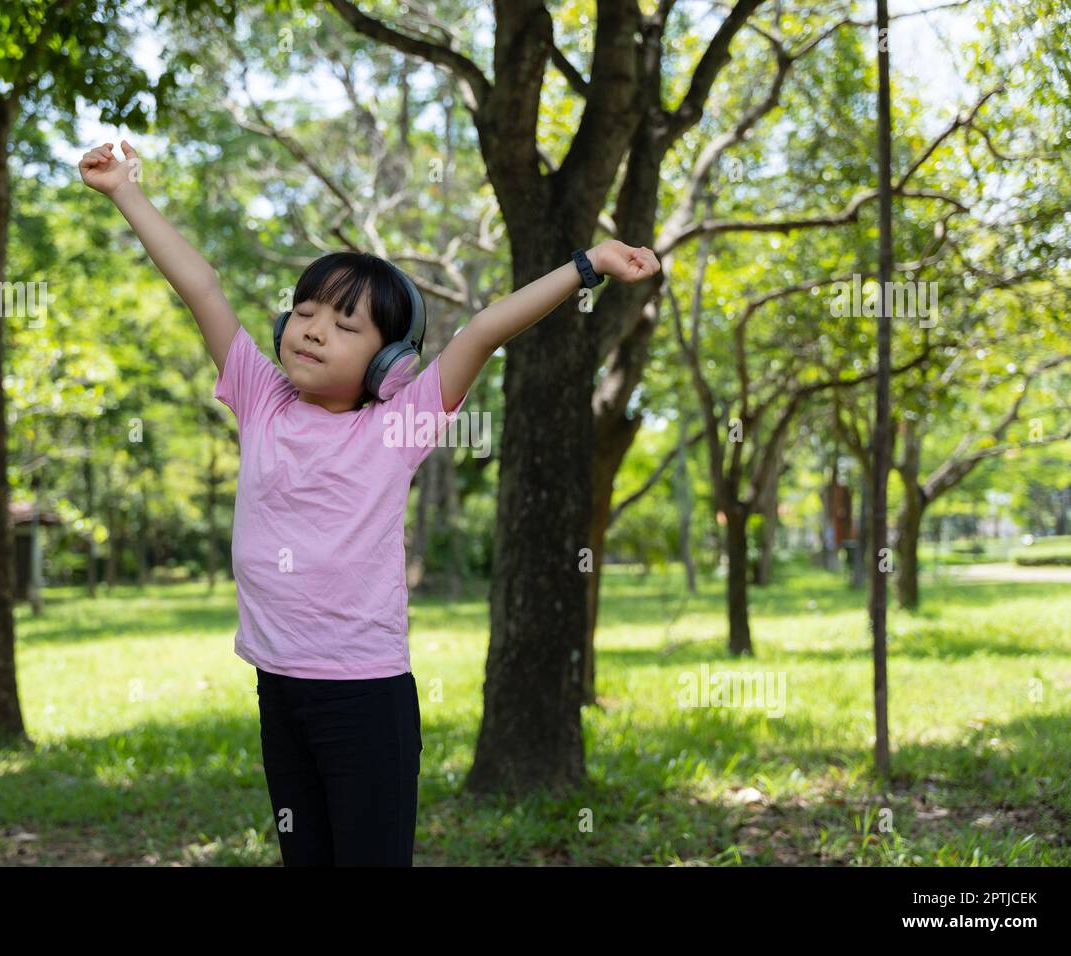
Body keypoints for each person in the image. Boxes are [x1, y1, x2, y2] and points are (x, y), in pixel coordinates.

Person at [79, 139, 660, 866]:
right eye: (305, 311)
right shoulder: (261, 399)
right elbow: (202, 286)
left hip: (364, 699)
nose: (313, 328)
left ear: (390, 365)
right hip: (279, 689)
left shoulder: (398, 426)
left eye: (344, 324)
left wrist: (589, 264)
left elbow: (484, 329)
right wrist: (126, 191)